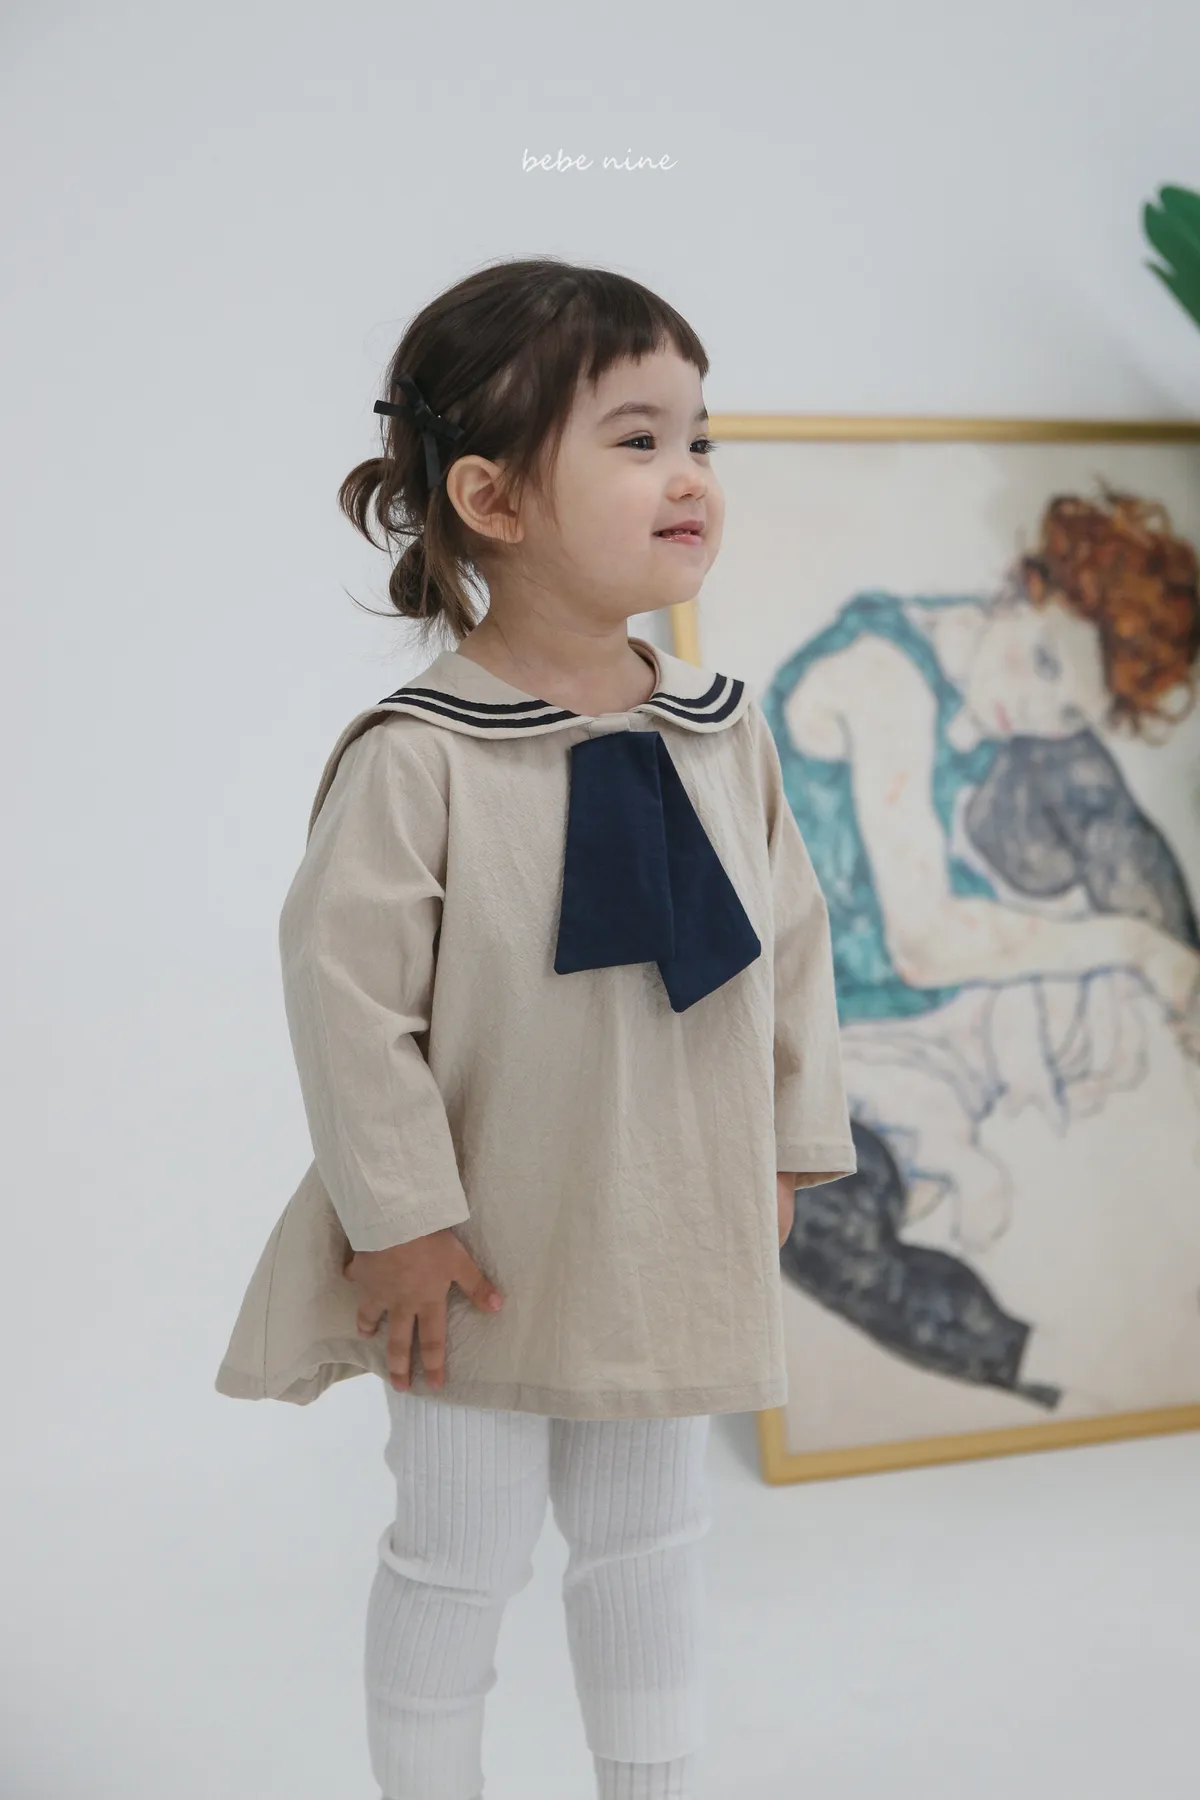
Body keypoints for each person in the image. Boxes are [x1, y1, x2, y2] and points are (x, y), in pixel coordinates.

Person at [213, 257, 855, 1800]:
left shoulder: (724, 729)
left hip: (668, 1225)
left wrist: (787, 1142)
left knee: (654, 1540)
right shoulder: (423, 757)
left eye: (699, 437)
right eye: (637, 441)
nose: (689, 474)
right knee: (458, 1552)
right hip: (478, 1250)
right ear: (493, 497)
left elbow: (792, 945)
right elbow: (347, 1000)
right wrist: (401, 1219)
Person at [764, 489, 1200, 1409]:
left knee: (1076, 779)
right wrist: (1133, 947)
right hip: (831, 1022)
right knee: (830, 1224)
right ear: (1018, 585)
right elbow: (923, 944)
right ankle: (1053, 1365)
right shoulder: (884, 675)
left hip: (919, 1004)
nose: (1033, 706)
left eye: (1068, 706)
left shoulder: (1011, 706)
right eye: (1043, 661)